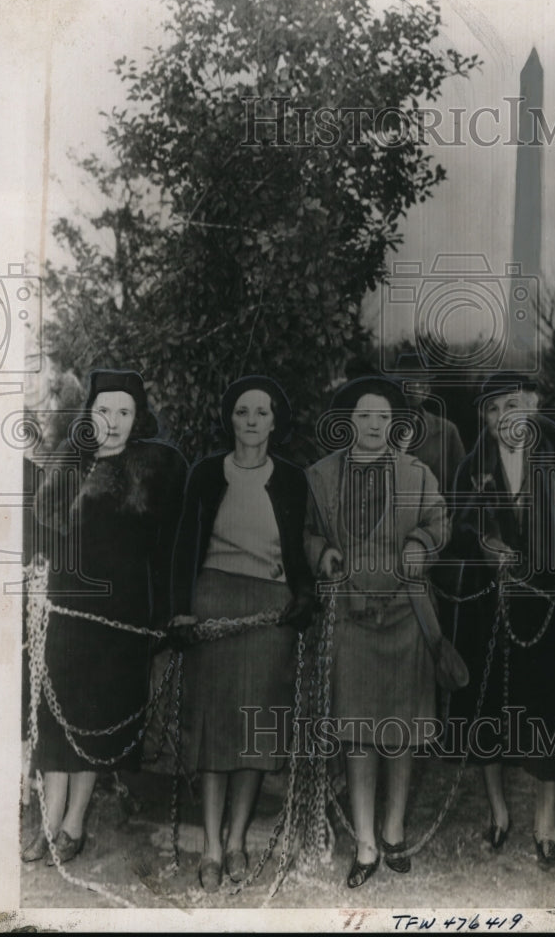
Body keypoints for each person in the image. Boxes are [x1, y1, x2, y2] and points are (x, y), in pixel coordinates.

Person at [23, 369, 186, 866]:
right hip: (67, 610)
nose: (112, 422)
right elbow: (41, 533)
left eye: (123, 412)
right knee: (56, 715)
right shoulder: (69, 463)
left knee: (96, 716)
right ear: (88, 415)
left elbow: (168, 551)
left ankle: (75, 823)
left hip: (120, 619)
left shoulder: (154, 471)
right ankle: (50, 822)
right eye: (103, 410)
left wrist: (166, 615)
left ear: (136, 420)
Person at [170, 376, 314, 892]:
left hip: (269, 614)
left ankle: (236, 842)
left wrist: (304, 595)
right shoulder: (207, 473)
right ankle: (209, 845)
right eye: (242, 412)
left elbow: (303, 547)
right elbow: (184, 545)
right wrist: (181, 611)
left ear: (276, 421)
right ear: (230, 419)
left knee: (256, 730)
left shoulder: (294, 479)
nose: (251, 421)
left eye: (261, 412)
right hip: (213, 605)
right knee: (214, 730)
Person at [447, 373, 555, 869]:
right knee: (488, 712)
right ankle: (498, 815)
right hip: (490, 608)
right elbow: (457, 525)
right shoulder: (473, 466)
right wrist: (483, 542)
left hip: (547, 607)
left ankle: (545, 824)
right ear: (485, 420)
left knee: (547, 712)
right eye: (494, 410)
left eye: (514, 405)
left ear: (532, 407)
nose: (505, 418)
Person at [304, 376, 448, 888]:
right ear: (348, 422)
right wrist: (323, 553)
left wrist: (421, 543)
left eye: (382, 418)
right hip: (351, 618)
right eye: (364, 417)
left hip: (407, 617)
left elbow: (438, 523)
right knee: (358, 732)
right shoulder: (321, 477)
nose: (372, 426)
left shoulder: (418, 474)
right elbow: (309, 531)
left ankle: (393, 829)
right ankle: (364, 842)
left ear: (395, 424)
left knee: (401, 731)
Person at [393, 351, 466, 498]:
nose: (407, 390)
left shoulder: (447, 431)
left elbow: (462, 485)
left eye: (415, 384)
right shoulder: (379, 429)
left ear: (426, 391)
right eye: (401, 384)